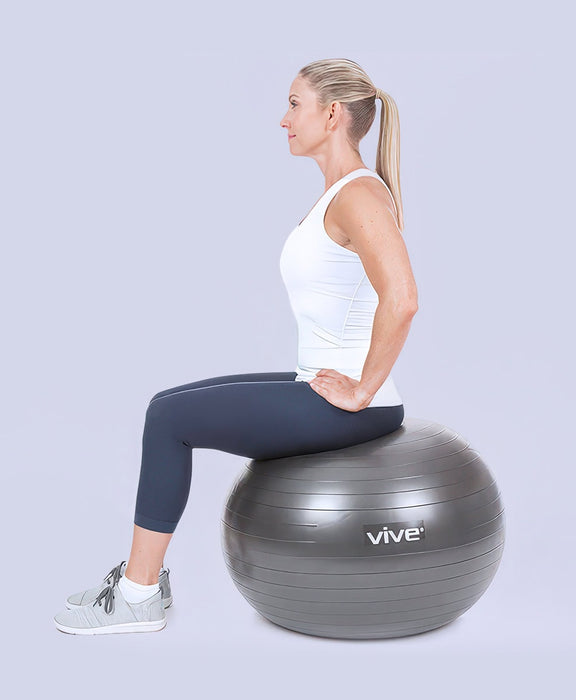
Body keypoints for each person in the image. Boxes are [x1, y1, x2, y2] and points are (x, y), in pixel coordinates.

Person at [53, 57, 419, 635]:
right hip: (321, 387)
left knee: (168, 417)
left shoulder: (359, 197)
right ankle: (141, 588)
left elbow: (403, 299)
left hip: (354, 406)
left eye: (294, 104)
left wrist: (363, 389)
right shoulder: (340, 195)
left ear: (332, 114)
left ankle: (138, 595)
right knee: (170, 403)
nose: (283, 119)